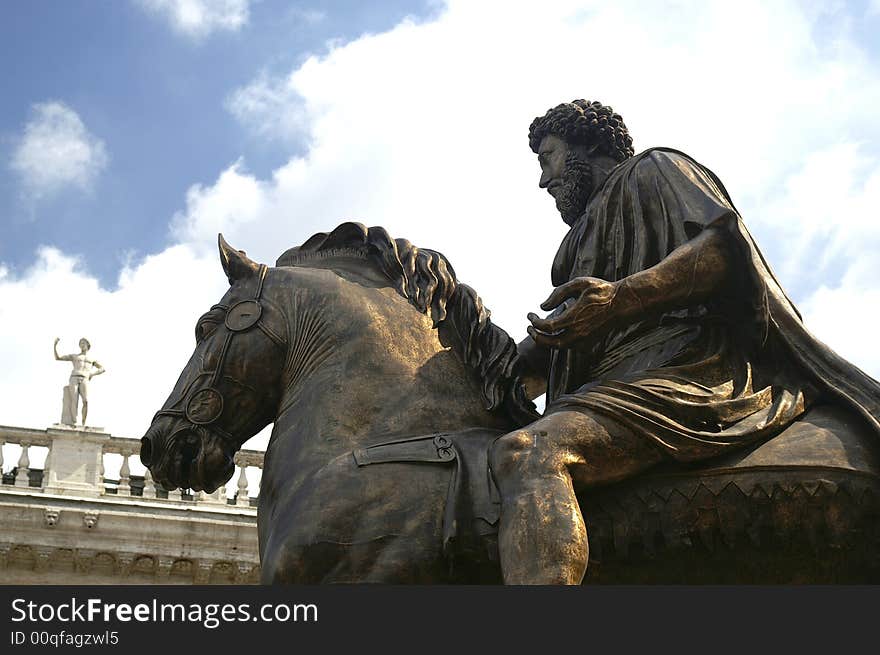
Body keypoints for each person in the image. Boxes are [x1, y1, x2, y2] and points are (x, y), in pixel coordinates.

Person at [489, 99, 880, 584]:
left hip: (688, 368)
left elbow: (721, 250)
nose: (544, 181)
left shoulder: (655, 168)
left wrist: (619, 298)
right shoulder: (574, 246)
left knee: (530, 452)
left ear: (586, 144)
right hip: (609, 387)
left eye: (547, 158)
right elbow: (556, 342)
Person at [54, 337, 105, 426]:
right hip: (74, 377)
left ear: (88, 345)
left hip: (85, 378)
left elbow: (102, 368)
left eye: (83, 343)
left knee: (86, 401)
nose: (82, 345)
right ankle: (74, 421)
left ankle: (83, 423)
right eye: (80, 343)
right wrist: (55, 346)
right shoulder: (75, 356)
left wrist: (92, 374)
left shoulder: (92, 359)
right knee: (74, 399)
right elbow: (58, 357)